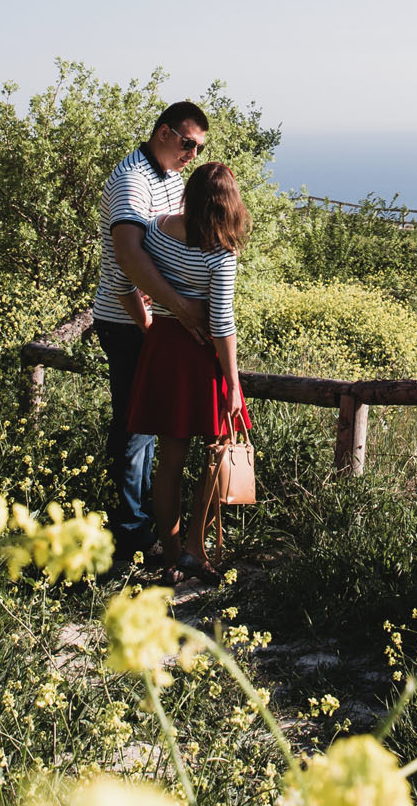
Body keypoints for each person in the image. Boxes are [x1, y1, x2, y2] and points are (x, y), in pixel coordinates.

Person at [92, 100, 212, 573]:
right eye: (187, 143)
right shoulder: (132, 180)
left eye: (198, 148)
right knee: (135, 431)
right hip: (129, 323)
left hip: (154, 323)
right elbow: (128, 256)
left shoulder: (168, 179)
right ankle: (129, 543)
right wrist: (179, 311)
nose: (192, 154)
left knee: (154, 430)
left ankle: (146, 533)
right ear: (163, 133)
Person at [125, 159, 251, 584]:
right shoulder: (222, 253)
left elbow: (131, 274)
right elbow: (221, 323)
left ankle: (172, 555)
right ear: (229, 203)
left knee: (170, 461)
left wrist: (153, 317)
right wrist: (233, 384)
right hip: (202, 358)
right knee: (216, 455)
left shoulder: (158, 230)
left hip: (162, 349)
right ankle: (196, 548)